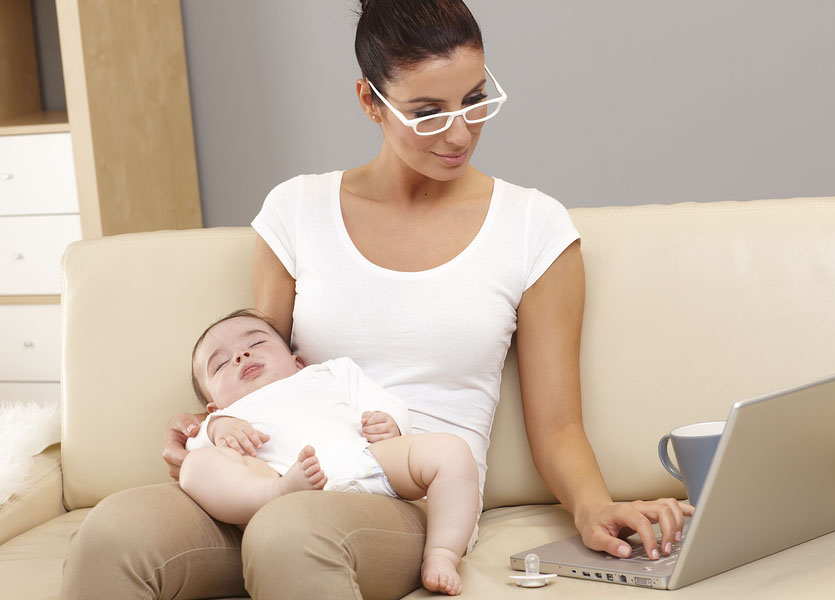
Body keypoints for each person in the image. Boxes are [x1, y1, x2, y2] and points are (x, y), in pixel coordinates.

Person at [62, 1, 692, 599]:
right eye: (427, 111)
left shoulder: (533, 226)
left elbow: (557, 425)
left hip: (408, 494)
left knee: (293, 534)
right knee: (114, 533)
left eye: (474, 101)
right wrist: (206, 425)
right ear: (370, 100)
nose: (459, 132)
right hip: (275, 475)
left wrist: (594, 508)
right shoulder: (296, 211)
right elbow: (264, 368)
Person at [180, 309, 478, 595]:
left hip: (367, 462)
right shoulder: (224, 419)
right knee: (195, 465)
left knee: (451, 450)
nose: (240, 356)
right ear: (213, 405)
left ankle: (442, 553)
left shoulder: (330, 373)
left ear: (297, 362)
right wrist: (218, 428)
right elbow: (197, 452)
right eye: (220, 364)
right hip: (283, 480)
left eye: (256, 342)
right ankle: (274, 493)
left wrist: (390, 423)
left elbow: (381, 400)